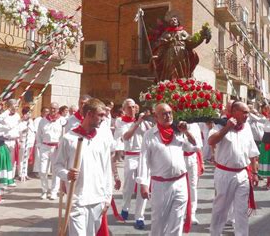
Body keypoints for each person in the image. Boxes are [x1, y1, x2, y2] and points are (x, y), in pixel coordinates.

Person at [55, 98, 114, 235]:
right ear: (89, 114)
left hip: (97, 199)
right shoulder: (69, 138)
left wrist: (107, 197)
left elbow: (106, 169)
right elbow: (57, 165)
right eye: (100, 115)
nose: (103, 119)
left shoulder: (102, 138)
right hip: (77, 199)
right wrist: (66, 174)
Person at [137, 103, 197, 236]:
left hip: (180, 182)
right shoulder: (149, 135)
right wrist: (143, 184)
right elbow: (144, 159)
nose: (168, 116)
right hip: (161, 184)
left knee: (177, 220)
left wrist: (186, 131)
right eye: (164, 113)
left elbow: (193, 147)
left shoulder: (178, 132)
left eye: (170, 112)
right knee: (159, 222)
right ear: (155, 116)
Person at [208, 101, 259, 236]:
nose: (247, 115)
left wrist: (254, 172)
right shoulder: (220, 125)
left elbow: (252, 151)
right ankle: (215, 233)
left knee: (241, 210)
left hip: (243, 173)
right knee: (221, 209)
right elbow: (211, 141)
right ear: (234, 112)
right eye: (244, 112)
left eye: (248, 112)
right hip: (224, 174)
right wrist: (227, 128)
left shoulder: (246, 127)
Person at [118, 99, 150, 229]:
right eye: (129, 107)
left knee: (143, 186)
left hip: (143, 156)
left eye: (134, 107)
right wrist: (137, 123)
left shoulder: (144, 121)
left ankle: (139, 217)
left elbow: (150, 134)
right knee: (128, 186)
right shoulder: (120, 121)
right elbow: (126, 136)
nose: (132, 110)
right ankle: (125, 207)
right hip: (130, 156)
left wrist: (145, 121)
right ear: (124, 109)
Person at [36, 102, 66, 200]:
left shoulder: (62, 120)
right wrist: (40, 146)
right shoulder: (43, 121)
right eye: (51, 108)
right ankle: (44, 190)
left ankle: (54, 191)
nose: (53, 110)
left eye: (55, 108)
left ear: (58, 110)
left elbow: (64, 135)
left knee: (55, 171)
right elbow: (38, 134)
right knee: (42, 170)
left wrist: (61, 146)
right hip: (45, 147)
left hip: (56, 148)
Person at [0, 99, 20, 188]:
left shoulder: (17, 116)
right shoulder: (3, 115)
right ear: (9, 106)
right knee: (4, 162)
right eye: (14, 106)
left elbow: (17, 128)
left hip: (14, 140)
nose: (16, 108)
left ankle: (11, 179)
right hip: (4, 141)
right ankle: (2, 180)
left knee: (12, 161)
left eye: (17, 106)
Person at [183, 122, 204, 225]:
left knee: (193, 186)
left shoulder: (195, 125)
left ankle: (192, 213)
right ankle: (180, 213)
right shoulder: (174, 123)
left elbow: (198, 145)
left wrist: (202, 162)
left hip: (192, 157)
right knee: (180, 186)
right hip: (179, 157)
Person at [16, 107, 36, 180]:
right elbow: (18, 131)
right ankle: (20, 174)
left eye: (30, 113)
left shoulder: (30, 121)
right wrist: (24, 129)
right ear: (24, 114)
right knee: (21, 159)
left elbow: (33, 130)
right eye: (28, 113)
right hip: (23, 141)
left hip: (30, 142)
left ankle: (25, 173)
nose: (29, 114)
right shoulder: (20, 121)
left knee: (26, 158)